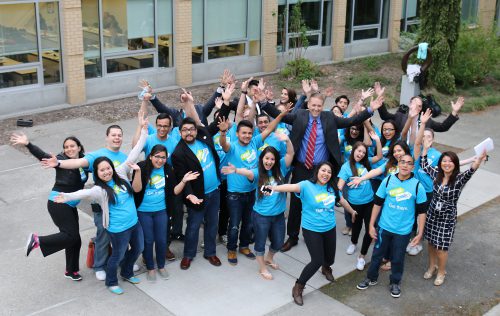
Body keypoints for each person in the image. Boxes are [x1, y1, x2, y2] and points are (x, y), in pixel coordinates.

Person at [259, 92, 385, 252]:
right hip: (301, 166)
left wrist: (369, 110)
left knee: (322, 201)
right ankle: (292, 237)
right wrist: (263, 102)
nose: (316, 109)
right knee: (296, 203)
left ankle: (316, 232)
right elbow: (280, 115)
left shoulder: (329, 118)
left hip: (321, 170)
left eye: (319, 106)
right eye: (313, 105)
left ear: (322, 106)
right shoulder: (299, 115)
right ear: (309, 104)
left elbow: (350, 121)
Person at [48, 119, 149, 295]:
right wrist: (66, 196)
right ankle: (111, 281)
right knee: (115, 254)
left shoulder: (121, 172)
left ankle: (126, 272)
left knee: (139, 248)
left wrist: (145, 131)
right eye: (101, 170)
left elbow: (135, 151)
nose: (106, 172)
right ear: (97, 173)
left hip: (134, 223)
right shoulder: (99, 190)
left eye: (107, 168)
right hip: (118, 228)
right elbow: (82, 194)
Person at [41, 123, 130, 281]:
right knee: (103, 235)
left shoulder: (124, 158)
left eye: (119, 135)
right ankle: (99, 265)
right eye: (113, 135)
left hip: (119, 205)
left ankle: (123, 261)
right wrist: (59, 163)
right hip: (101, 204)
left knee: (121, 235)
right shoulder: (96, 155)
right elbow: (77, 163)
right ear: (107, 138)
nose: (117, 138)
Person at [270, 162, 356, 306]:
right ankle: (298, 286)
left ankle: (326, 267)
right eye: (323, 170)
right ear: (317, 172)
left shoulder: (332, 188)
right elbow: (290, 187)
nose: (326, 174)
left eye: (329, 172)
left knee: (329, 258)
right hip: (311, 229)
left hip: (329, 228)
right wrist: (273, 188)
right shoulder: (306, 186)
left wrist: (352, 211)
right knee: (316, 260)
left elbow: (342, 200)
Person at [218, 96, 289, 265]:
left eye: (250, 133)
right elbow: (223, 144)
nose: (247, 136)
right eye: (244, 133)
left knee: (248, 222)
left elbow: (270, 128)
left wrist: (280, 116)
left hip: (252, 191)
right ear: (237, 134)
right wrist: (222, 132)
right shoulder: (233, 146)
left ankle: (244, 246)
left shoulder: (255, 142)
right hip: (235, 194)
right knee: (234, 223)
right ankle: (231, 249)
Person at [15, 133, 88, 281]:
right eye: (66, 147)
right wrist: (28, 144)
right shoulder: (60, 160)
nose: (69, 149)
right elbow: (42, 155)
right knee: (70, 236)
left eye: (72, 146)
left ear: (79, 147)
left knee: (75, 239)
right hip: (58, 203)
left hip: (70, 204)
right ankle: (37, 240)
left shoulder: (84, 162)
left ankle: (71, 271)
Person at [221, 133, 294, 280]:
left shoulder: (281, 167)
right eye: (267, 158)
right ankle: (262, 267)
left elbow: (290, 153)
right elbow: (247, 172)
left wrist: (287, 140)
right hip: (261, 216)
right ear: (262, 159)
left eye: (272, 159)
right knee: (260, 243)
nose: (269, 161)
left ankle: (269, 258)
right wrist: (235, 170)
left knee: (278, 242)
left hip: (278, 215)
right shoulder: (258, 172)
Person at [420, 130, 487, 286]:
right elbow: (423, 163)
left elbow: (471, 170)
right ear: (440, 163)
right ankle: (432, 266)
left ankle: (442, 271)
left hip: (447, 218)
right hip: (432, 215)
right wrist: (425, 148)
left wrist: (478, 161)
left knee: (441, 247)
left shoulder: (458, 179)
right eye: (444, 161)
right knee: (430, 242)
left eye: (450, 161)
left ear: (455, 164)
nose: (447, 164)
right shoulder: (436, 173)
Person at [356, 154, 427, 298]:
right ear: (398, 164)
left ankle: (395, 282)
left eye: (409, 163)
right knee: (376, 255)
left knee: (398, 258)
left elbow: (422, 212)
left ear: (413, 167)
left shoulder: (418, 186)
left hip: (403, 231)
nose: (405, 165)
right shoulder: (388, 181)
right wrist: (371, 225)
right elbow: (377, 204)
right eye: (402, 162)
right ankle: (371, 277)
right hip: (384, 228)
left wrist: (420, 233)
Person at [171, 113, 228, 270]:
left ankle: (210, 252)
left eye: (191, 129)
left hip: (215, 191)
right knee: (193, 226)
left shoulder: (204, 136)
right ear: (180, 132)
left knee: (212, 224)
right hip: (197, 196)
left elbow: (219, 120)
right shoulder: (178, 153)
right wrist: (190, 195)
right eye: (185, 130)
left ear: (196, 130)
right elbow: (183, 177)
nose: (188, 132)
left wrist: (226, 101)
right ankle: (188, 255)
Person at [131, 144, 186, 281]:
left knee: (162, 240)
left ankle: (161, 265)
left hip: (161, 211)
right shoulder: (141, 167)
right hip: (143, 211)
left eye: (163, 157)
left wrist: (184, 181)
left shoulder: (167, 169)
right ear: (150, 156)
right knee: (148, 240)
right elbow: (136, 190)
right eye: (157, 157)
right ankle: (150, 267)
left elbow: (174, 191)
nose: (160, 160)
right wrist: (137, 173)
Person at [338, 133, 383, 271]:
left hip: (370, 201)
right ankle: (353, 242)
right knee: (356, 225)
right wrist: (339, 198)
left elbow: (380, 157)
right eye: (359, 151)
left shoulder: (367, 162)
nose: (361, 154)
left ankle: (362, 256)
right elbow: (339, 186)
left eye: (364, 152)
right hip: (354, 204)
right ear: (353, 151)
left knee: (370, 227)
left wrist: (377, 140)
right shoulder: (346, 167)